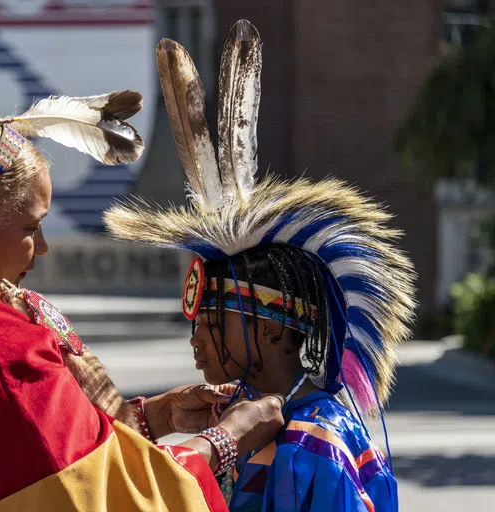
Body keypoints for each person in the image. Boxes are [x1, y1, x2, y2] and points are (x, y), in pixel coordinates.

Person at [0, 2, 285, 511]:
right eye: (31, 228)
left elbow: (11, 458)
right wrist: (228, 438)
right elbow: (93, 495)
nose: (44, 248)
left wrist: (158, 417)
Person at [104, 20, 416, 512]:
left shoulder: (316, 444)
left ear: (270, 330)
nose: (195, 340)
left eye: (210, 321)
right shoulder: (242, 418)